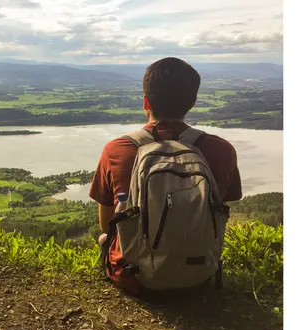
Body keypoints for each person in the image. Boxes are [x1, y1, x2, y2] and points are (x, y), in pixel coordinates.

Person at [89, 57, 242, 295]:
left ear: (145, 102)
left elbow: (107, 225)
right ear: (192, 103)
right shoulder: (221, 150)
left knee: (103, 238)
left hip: (134, 278)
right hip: (200, 274)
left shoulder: (116, 150)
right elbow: (220, 210)